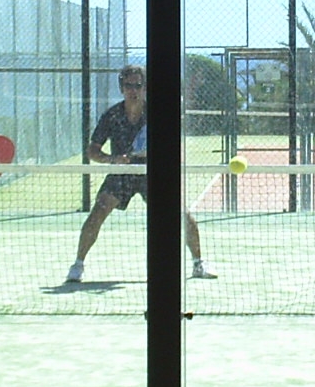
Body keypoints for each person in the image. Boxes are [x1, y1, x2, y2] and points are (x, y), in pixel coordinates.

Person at [67, 64, 209, 284]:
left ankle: (199, 264)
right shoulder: (111, 115)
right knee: (98, 212)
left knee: (183, 214)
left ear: (145, 88)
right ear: (121, 87)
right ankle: (77, 265)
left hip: (152, 173)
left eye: (138, 85)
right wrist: (112, 159)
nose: (133, 90)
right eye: (128, 85)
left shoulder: (157, 113)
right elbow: (92, 151)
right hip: (122, 172)